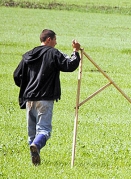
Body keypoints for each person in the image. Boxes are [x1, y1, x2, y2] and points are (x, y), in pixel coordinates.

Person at [13, 29, 81, 166]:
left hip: (29, 98)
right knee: (44, 130)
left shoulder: (28, 55)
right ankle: (36, 147)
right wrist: (76, 52)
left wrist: (27, 87)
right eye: (55, 40)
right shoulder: (53, 53)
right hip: (45, 98)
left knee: (32, 133)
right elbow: (69, 65)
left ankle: (35, 160)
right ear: (48, 39)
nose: (56, 43)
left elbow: (16, 75)